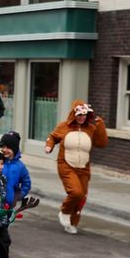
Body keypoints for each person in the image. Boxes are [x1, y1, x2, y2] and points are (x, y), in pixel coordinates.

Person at [45, 100, 108, 234]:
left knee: (82, 197)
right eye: (79, 115)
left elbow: (102, 143)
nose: (81, 117)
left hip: (84, 167)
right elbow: (53, 137)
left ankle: (72, 223)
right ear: (74, 114)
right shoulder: (64, 126)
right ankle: (65, 211)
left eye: (84, 115)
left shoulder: (91, 128)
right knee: (75, 192)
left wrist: (100, 125)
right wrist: (49, 146)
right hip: (66, 165)